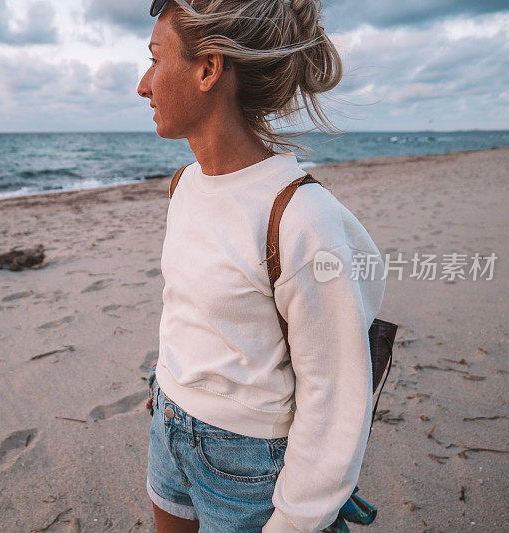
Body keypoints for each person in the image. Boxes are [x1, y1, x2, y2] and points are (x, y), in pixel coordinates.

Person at [136, 1, 387, 532]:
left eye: (156, 61)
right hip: (168, 424)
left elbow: (337, 395)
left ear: (209, 69)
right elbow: (185, 312)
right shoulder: (184, 185)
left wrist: (297, 520)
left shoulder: (300, 215)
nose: (143, 84)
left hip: (245, 465)